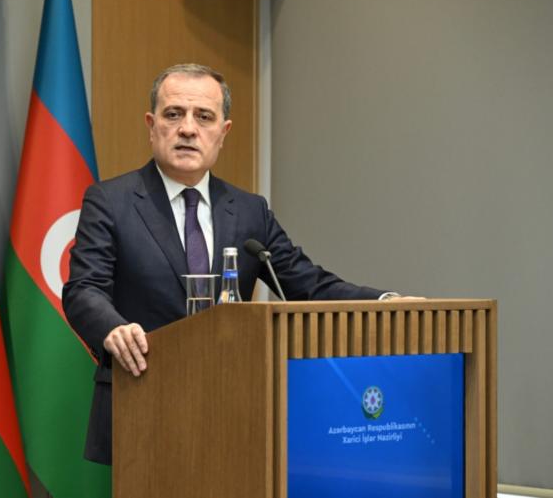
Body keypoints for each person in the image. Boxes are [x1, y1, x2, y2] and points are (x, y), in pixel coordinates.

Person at [62, 63, 398, 465]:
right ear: (152, 126)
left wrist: (385, 301)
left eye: (204, 117)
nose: (188, 129)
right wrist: (113, 328)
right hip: (143, 402)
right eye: (174, 114)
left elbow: (308, 284)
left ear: (223, 132)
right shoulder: (110, 201)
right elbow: (84, 289)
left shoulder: (250, 211)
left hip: (232, 407)